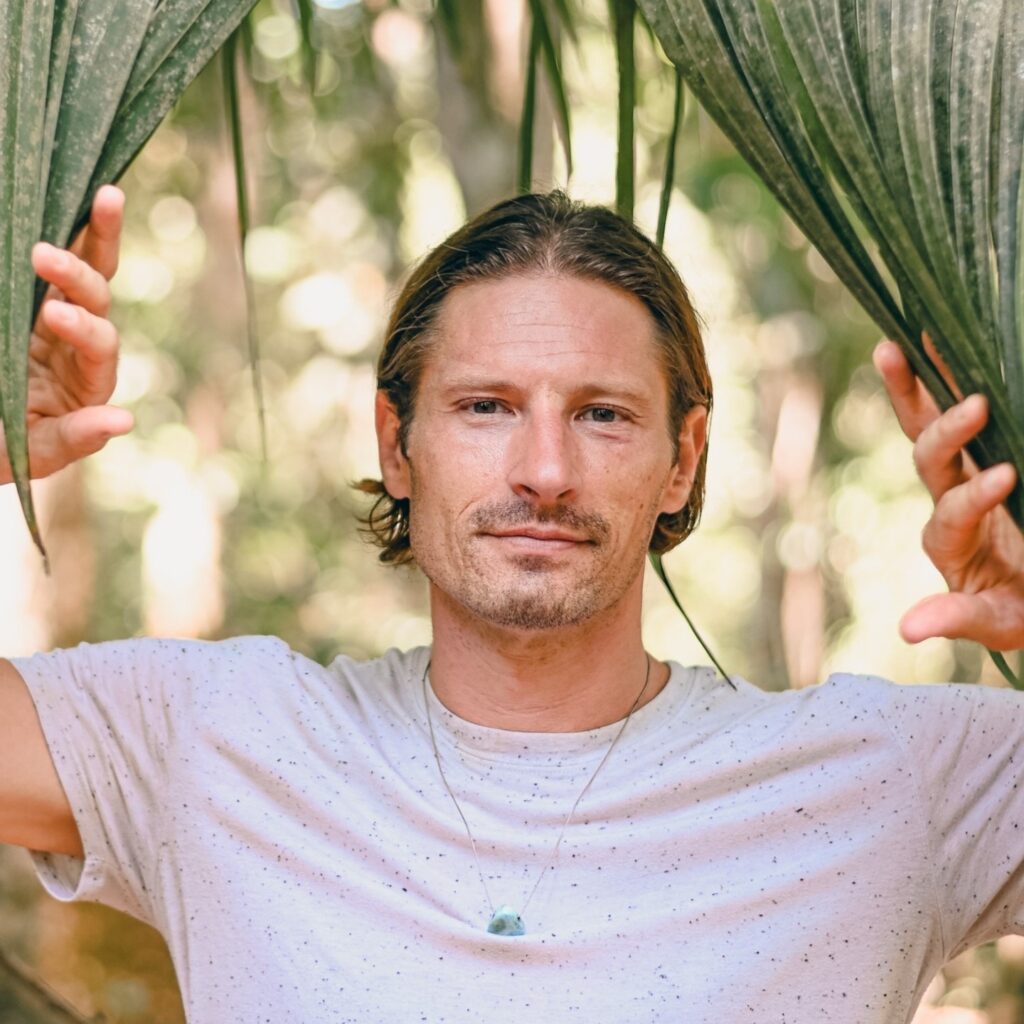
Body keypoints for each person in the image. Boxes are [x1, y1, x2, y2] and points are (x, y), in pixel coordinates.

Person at [1, 184, 1022, 1023]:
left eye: (603, 414)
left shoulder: (887, 777)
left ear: (684, 459)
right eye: (486, 406)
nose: (544, 469)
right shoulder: (213, 735)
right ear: (395, 444)